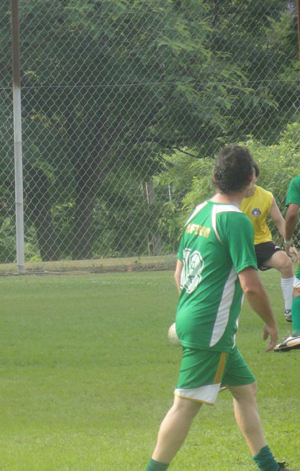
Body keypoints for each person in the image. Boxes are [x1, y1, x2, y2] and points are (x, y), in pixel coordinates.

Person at [145, 145, 292, 471]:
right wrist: (272, 323)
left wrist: (193, 310)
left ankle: (269, 467)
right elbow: (251, 286)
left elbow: (179, 273)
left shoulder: (199, 211)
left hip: (192, 317)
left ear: (215, 177)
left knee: (246, 390)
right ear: (251, 179)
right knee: (184, 407)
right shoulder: (236, 221)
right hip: (210, 328)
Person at [240, 163, 294, 322]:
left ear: (255, 177)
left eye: (251, 176)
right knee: (231, 279)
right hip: (239, 244)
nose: (248, 179)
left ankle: (290, 310)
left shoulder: (266, 197)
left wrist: (289, 243)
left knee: (285, 263)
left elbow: (279, 221)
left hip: (261, 243)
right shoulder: (232, 197)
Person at [275, 172, 300, 351]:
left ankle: (297, 334)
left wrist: (287, 240)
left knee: (298, 289)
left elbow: (291, 214)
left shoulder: (297, 182)